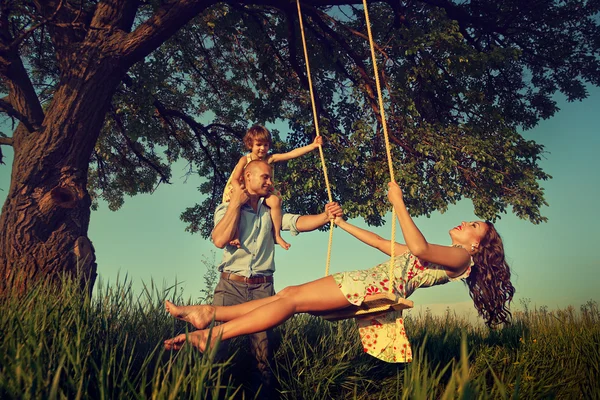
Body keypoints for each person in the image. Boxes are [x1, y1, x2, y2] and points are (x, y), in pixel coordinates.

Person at [165, 181, 515, 364]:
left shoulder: (459, 258)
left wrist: (399, 204)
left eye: (474, 226)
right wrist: (341, 224)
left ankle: (212, 333)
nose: (465, 223)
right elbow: (381, 243)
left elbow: (420, 247)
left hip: (367, 288)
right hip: (365, 283)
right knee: (288, 296)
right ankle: (210, 314)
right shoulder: (442, 260)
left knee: (290, 300)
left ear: (476, 246)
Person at [203, 158, 342, 397]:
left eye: (271, 177)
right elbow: (219, 239)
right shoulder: (225, 208)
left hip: (262, 288)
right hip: (230, 286)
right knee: (216, 347)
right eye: (265, 177)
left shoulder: (272, 211)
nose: (270, 182)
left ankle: (263, 394)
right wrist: (236, 201)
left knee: (263, 352)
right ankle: (210, 392)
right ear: (247, 178)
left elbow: (297, 221)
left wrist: (325, 216)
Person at [223, 124, 323, 250]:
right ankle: (235, 235)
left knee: (275, 200)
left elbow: (290, 154)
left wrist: (312, 146)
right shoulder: (245, 159)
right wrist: (238, 192)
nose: (262, 148)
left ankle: (276, 234)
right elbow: (235, 179)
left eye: (265, 145)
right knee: (238, 206)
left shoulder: (269, 159)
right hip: (241, 188)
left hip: (262, 191)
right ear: (250, 145)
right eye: (258, 145)